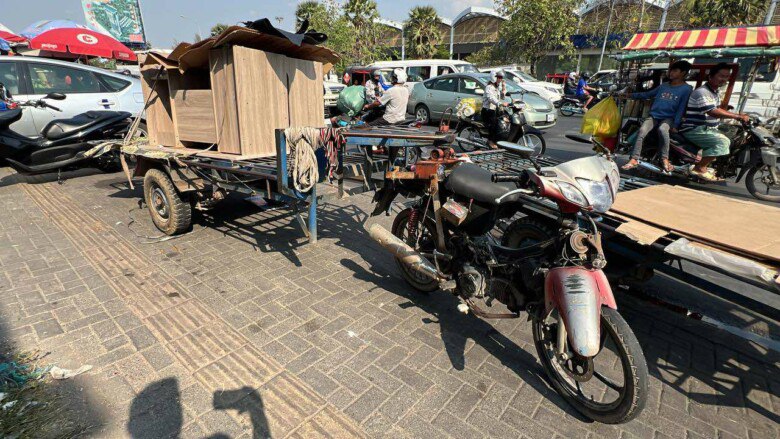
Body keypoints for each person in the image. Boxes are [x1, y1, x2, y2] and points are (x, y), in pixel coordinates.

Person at [679, 62, 750, 181]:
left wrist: (733, 113)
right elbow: (712, 111)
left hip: (707, 128)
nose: (724, 79)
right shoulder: (703, 92)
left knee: (734, 134)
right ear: (710, 76)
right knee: (723, 142)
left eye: (727, 77)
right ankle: (700, 167)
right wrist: (737, 116)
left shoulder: (714, 91)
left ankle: (713, 163)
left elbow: (715, 108)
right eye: (721, 76)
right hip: (695, 128)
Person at [622, 60, 693, 173]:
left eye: (675, 71)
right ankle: (634, 158)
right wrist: (630, 95)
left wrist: (675, 125)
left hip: (669, 118)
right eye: (671, 70)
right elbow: (648, 94)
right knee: (642, 131)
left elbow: (681, 107)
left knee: (662, 130)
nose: (671, 73)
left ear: (683, 73)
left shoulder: (687, 89)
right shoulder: (663, 86)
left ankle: (665, 158)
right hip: (654, 116)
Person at [481, 69, 509, 148]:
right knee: (494, 125)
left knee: (505, 120)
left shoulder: (496, 87)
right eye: (499, 77)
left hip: (495, 110)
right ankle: (490, 141)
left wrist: (504, 88)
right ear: (494, 77)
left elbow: (502, 97)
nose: (500, 79)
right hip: (488, 111)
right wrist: (500, 103)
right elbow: (491, 98)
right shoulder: (489, 87)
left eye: (501, 77)